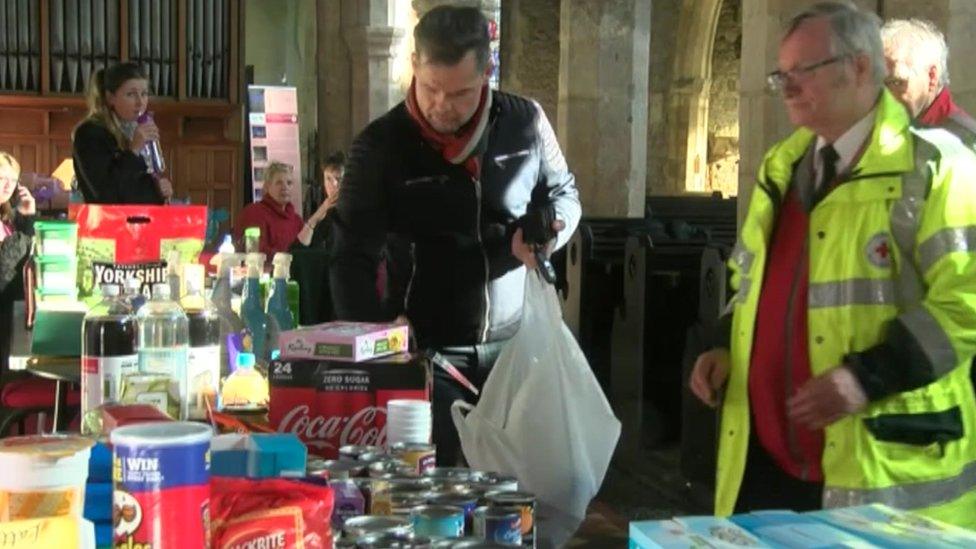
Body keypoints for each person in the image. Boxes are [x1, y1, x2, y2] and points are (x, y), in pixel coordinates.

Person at [689, 1, 976, 528]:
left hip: (882, 469)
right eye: (783, 73)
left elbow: (966, 306)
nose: (788, 87)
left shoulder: (937, 168)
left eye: (806, 71)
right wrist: (727, 343)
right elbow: (748, 279)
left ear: (862, 67)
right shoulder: (784, 167)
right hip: (768, 461)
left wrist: (865, 377)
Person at [330, 6, 581, 466]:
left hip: (514, 345)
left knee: (517, 492)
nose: (442, 106)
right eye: (431, 89)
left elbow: (567, 195)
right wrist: (376, 335)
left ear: (487, 72)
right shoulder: (379, 146)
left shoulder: (526, 122)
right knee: (442, 488)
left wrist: (549, 231)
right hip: (427, 351)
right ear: (413, 64)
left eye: (461, 92)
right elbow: (349, 257)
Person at [72, 62, 174, 204]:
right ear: (110, 98)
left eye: (144, 94)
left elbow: (135, 188)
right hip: (108, 222)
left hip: (141, 221)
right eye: (131, 94)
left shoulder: (134, 131)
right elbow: (106, 193)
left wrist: (158, 189)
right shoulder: (90, 133)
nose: (140, 102)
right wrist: (134, 150)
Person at [881, 18, 976, 147]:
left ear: (932, 77)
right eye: (875, 83)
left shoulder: (966, 141)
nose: (884, 96)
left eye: (897, 83)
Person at [235, 160, 324, 256]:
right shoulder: (254, 213)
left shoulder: (296, 220)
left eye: (289, 183)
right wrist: (286, 258)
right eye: (279, 183)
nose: (285, 187)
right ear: (267, 186)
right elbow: (257, 251)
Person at [0, 152, 36, 377]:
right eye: (1, 178)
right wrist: (23, 237)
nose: (8, 185)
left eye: (13, 180)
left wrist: (27, 216)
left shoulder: (7, 219)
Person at [303, 151, 345, 248]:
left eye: (339, 179)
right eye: (328, 179)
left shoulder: (354, 199)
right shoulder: (314, 195)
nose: (334, 185)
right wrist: (323, 209)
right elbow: (304, 240)